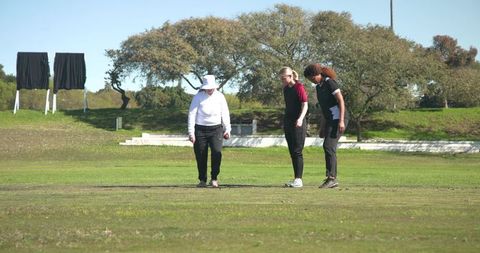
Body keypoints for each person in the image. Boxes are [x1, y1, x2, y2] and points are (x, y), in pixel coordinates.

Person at [303, 64, 348, 189]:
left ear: (318, 74)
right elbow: (324, 109)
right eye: (309, 79)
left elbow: (341, 101)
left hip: (338, 119)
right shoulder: (319, 87)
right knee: (328, 146)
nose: (311, 81)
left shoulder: (330, 83)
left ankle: (332, 178)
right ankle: (331, 178)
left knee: (329, 146)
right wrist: (322, 127)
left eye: (312, 78)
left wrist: (342, 120)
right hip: (329, 120)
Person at [188, 75, 231, 188]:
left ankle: (214, 178)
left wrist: (227, 129)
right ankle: (202, 179)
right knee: (201, 155)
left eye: (211, 87)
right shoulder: (198, 97)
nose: (209, 90)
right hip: (200, 129)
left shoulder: (220, 97)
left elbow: (225, 113)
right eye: (207, 88)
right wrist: (191, 132)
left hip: (216, 129)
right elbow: (192, 114)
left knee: (217, 153)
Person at [279, 67, 308, 188]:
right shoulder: (286, 89)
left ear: (290, 76)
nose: (282, 80)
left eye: (283, 78)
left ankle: (299, 179)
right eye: (281, 78)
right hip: (288, 122)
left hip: (298, 123)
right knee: (292, 151)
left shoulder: (299, 87)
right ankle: (296, 178)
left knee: (297, 150)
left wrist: (300, 119)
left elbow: (305, 104)